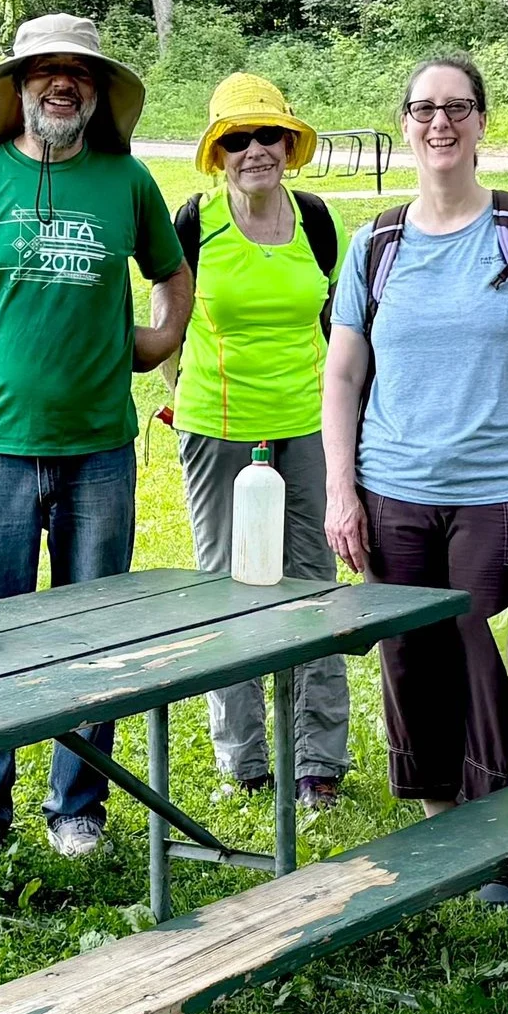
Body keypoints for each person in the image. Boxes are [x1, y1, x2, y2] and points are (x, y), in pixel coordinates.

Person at [0, 15, 193, 857]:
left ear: (98, 92)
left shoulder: (127, 181)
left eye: (80, 71)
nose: (62, 83)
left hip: (99, 450)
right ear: (20, 87)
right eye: (46, 70)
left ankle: (78, 805)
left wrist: (158, 340)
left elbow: (173, 273)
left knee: (95, 635)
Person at [323, 56, 508, 815]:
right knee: (407, 653)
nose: (440, 122)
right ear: (405, 124)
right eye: (424, 109)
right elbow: (342, 374)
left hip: (505, 490)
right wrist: (341, 490)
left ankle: (495, 816)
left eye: (457, 107)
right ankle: (435, 812)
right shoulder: (375, 244)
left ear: (481, 121)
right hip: (392, 489)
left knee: (478, 644)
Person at [162, 74, 349, 804]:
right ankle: (243, 761)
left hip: (306, 425)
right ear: (218, 153)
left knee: (313, 585)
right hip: (217, 428)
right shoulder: (194, 223)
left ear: (289, 144)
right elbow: (169, 326)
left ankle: (318, 761)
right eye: (236, 139)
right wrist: (184, 397)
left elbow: (336, 326)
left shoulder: (317, 221)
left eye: (268, 135)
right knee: (226, 588)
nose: (255, 151)